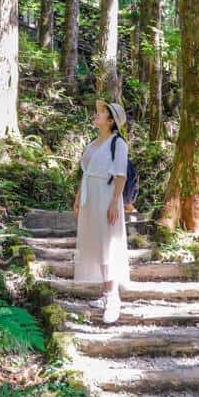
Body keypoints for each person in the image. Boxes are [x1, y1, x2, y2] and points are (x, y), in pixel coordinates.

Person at [73, 99, 131, 324]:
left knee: (108, 244)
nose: (96, 115)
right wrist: (78, 199)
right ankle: (105, 293)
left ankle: (113, 298)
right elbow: (85, 172)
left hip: (107, 197)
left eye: (102, 112)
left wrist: (115, 202)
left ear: (111, 120)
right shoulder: (93, 142)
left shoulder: (118, 144)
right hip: (90, 196)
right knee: (96, 243)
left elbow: (120, 175)